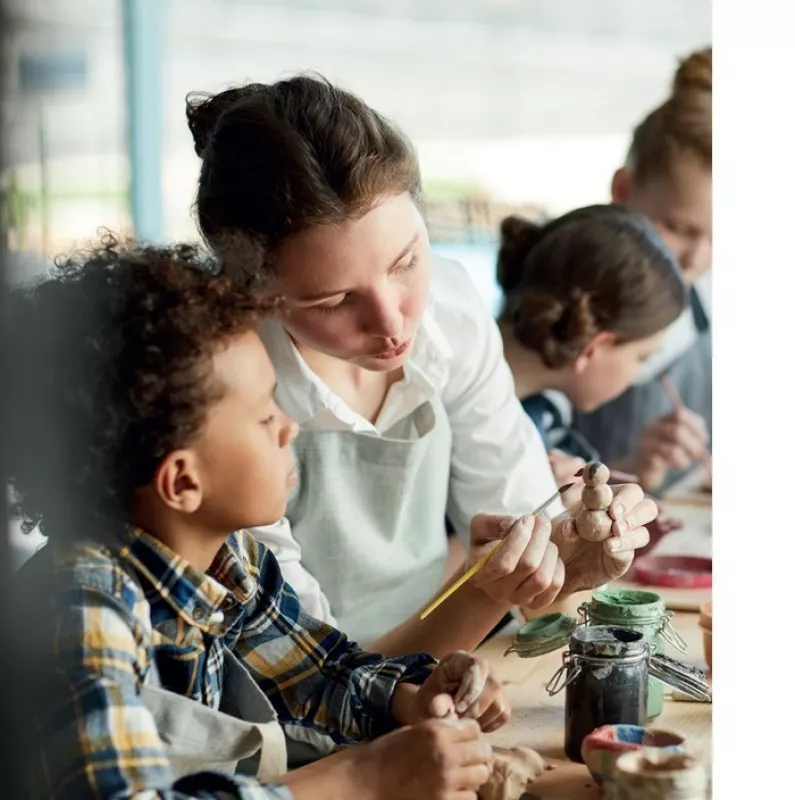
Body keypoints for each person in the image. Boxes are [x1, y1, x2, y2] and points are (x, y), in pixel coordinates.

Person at [7, 238, 506, 800]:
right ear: (183, 482)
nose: (288, 427)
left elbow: (316, 673)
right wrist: (360, 779)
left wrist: (410, 698)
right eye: (266, 414)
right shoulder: (83, 611)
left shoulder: (228, 559)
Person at [184, 76, 658, 667]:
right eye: (333, 301)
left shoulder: (450, 312)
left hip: (442, 665)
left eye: (407, 261)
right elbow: (307, 680)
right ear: (254, 294)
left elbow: (532, 542)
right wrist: (486, 591)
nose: (393, 323)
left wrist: (572, 555)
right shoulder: (222, 395)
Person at [572, 47, 712, 493]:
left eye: (717, 236)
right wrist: (632, 465)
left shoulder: (707, 309)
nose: (697, 258)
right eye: (678, 228)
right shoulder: (559, 309)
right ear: (623, 189)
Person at [495, 205, 687, 495]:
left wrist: (635, 466)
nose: (640, 371)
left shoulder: (541, 409)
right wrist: (531, 508)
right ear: (594, 348)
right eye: (642, 357)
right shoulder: (465, 413)